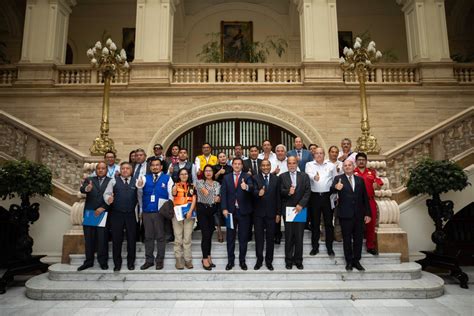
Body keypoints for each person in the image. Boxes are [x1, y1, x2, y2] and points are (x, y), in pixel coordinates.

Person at [331, 160, 371, 271]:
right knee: (347, 239)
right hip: (345, 214)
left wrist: (367, 213)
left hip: (359, 214)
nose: (347, 167)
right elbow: (330, 190)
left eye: (349, 165)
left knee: (358, 239)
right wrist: (335, 188)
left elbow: (365, 198)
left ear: (353, 167)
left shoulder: (360, 180)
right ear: (343, 167)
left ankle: (356, 261)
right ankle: (349, 261)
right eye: (345, 165)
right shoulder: (338, 179)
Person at [135, 157, 174, 270]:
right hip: (147, 212)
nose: (155, 167)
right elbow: (139, 192)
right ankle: (149, 260)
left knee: (161, 237)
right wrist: (142, 209)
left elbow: (171, 195)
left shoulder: (167, 178)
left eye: (157, 165)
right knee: (148, 237)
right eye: (153, 165)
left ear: (161, 167)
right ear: (150, 167)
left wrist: (169, 210)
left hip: (160, 213)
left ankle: (159, 260)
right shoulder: (144, 177)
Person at [103, 162, 139, 271]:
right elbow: (106, 194)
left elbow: (140, 197)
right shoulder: (113, 181)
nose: (125, 170)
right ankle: (117, 264)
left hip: (131, 214)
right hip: (116, 214)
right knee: (116, 240)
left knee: (131, 240)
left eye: (127, 168)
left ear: (131, 170)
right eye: (123, 168)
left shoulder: (137, 182)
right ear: (120, 170)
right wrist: (108, 199)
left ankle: (131, 263)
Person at [221, 158, 254, 271]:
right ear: (232, 165)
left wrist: (247, 187)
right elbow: (223, 194)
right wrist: (224, 208)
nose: (237, 165)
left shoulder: (247, 176)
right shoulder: (226, 177)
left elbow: (252, 188)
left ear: (242, 165)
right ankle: (230, 261)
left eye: (239, 164)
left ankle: (242, 261)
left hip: (243, 212)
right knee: (230, 238)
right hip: (230, 212)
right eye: (235, 163)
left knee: (243, 238)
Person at [78, 162, 111, 271]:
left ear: (106, 170)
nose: (101, 170)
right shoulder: (89, 180)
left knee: (102, 239)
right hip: (90, 213)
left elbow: (112, 197)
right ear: (96, 170)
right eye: (99, 168)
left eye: (103, 168)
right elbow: (82, 189)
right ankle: (88, 261)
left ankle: (103, 262)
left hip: (103, 213)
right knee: (89, 239)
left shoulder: (111, 181)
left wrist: (104, 207)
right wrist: (87, 189)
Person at [280, 156, 311, 270]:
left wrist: (301, 205)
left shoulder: (304, 176)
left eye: (294, 163)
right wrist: (288, 192)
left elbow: (308, 191)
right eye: (289, 163)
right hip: (288, 210)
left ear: (297, 164)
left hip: (300, 209)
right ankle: (288, 261)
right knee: (289, 237)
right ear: (287, 164)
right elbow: (280, 192)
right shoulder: (282, 176)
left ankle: (298, 260)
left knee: (299, 236)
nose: (292, 165)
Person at [305, 147, 337, 257]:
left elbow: (335, 181)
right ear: (313, 154)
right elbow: (308, 174)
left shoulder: (331, 166)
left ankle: (330, 248)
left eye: (321, 153)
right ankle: (315, 247)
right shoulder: (309, 165)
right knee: (315, 224)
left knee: (328, 224)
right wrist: (315, 177)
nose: (319, 155)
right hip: (314, 197)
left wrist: (334, 197)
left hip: (327, 197)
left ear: (324, 154)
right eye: (317, 153)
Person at [252, 159, 281, 271]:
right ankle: (259, 261)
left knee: (270, 238)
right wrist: (257, 193)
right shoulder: (255, 178)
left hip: (272, 214)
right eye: (263, 165)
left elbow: (278, 197)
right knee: (259, 238)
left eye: (267, 165)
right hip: (258, 214)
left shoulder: (276, 179)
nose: (265, 167)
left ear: (270, 166)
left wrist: (278, 213)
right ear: (260, 167)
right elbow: (252, 192)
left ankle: (269, 261)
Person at [354, 152, 384, 255]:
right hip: (357, 202)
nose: (361, 161)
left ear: (366, 161)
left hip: (370, 201)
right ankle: (356, 246)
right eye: (359, 160)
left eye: (363, 160)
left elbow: (379, 183)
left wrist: (377, 185)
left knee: (371, 224)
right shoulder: (353, 172)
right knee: (356, 224)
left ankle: (370, 246)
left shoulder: (372, 172)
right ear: (356, 161)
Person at [196, 165, 221, 270]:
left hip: (212, 211)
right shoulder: (200, 182)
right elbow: (206, 195)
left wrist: (215, 197)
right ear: (204, 173)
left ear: (213, 172)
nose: (208, 173)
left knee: (209, 235)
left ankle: (209, 256)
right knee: (205, 235)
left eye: (210, 171)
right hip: (202, 211)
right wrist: (213, 197)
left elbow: (218, 198)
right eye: (206, 171)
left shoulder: (217, 184)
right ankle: (204, 258)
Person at [171, 168, 197, 269]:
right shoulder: (175, 185)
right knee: (178, 238)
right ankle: (178, 260)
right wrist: (173, 189)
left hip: (189, 214)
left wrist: (190, 211)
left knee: (187, 238)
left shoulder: (192, 186)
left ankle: (188, 260)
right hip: (177, 214)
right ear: (179, 175)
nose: (184, 176)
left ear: (188, 175)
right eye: (182, 174)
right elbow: (173, 194)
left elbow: (194, 199)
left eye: (185, 174)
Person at [212, 152, 233, 242]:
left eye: (224, 156)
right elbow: (211, 178)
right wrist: (219, 172)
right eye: (220, 157)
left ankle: (230, 232)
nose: (222, 158)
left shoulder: (230, 168)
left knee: (228, 211)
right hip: (217, 191)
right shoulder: (214, 167)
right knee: (217, 212)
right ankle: (219, 232)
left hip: (229, 192)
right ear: (218, 159)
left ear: (227, 158)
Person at [327, 145, 343, 242]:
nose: (334, 154)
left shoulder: (342, 164)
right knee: (326, 216)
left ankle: (338, 235)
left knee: (338, 216)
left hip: (339, 193)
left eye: (336, 152)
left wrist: (338, 171)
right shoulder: (325, 163)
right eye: (332, 152)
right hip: (328, 192)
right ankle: (326, 234)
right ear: (329, 153)